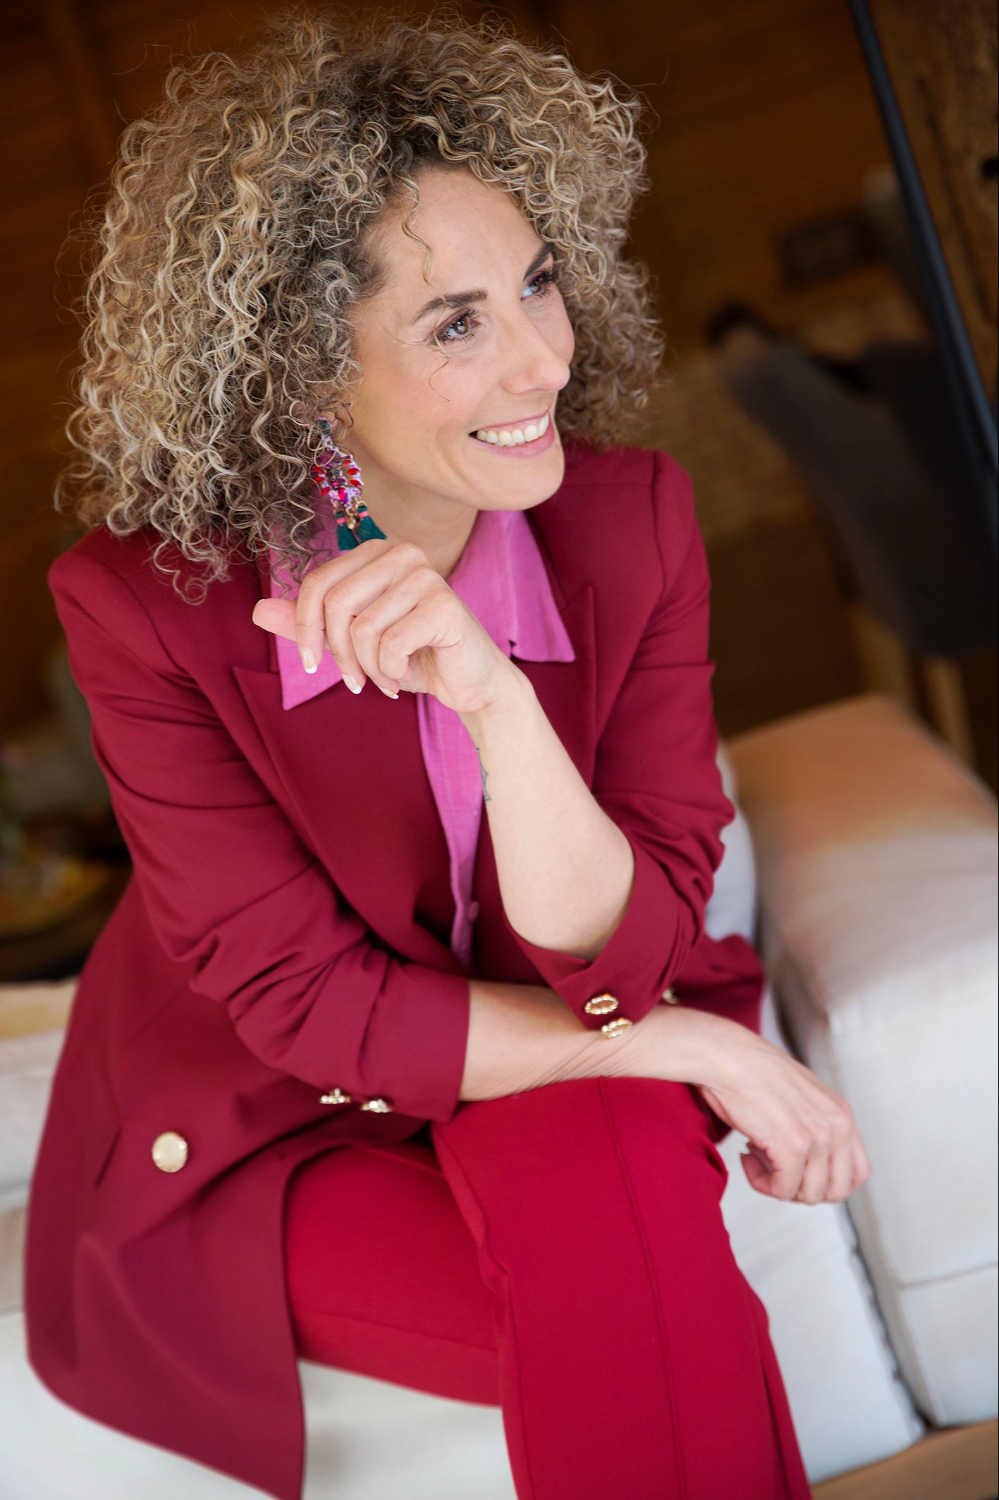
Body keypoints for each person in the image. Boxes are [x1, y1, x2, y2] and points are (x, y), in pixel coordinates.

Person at [24, 7, 870, 1499]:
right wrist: (674, 1041)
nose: (544, 358)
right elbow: (306, 1003)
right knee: (642, 1306)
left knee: (617, 1241)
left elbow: (625, 948)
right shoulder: (148, 607)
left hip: (560, 1052)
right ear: (302, 373)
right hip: (284, 1121)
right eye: (456, 324)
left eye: (538, 282)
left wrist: (495, 699)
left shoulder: (634, 521)